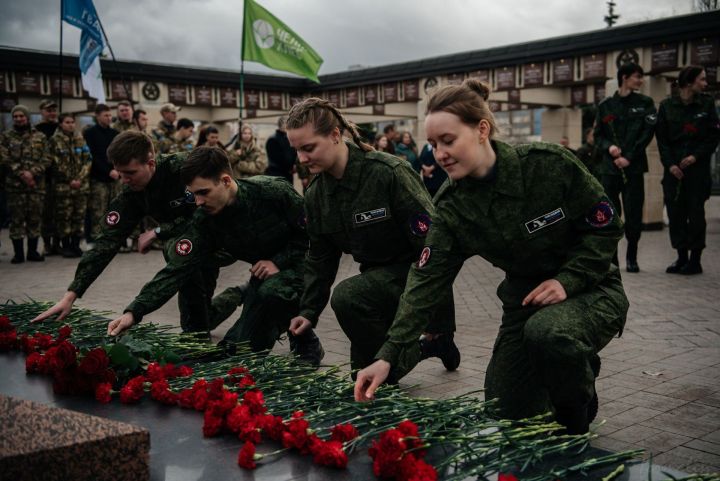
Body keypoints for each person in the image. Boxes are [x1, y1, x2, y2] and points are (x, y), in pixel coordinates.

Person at [354, 79, 629, 436]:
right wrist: (387, 356)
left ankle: (576, 404)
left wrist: (568, 280)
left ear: (482, 129)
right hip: (525, 303)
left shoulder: (547, 166)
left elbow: (606, 227)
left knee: (549, 335)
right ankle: (561, 364)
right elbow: (425, 281)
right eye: (433, 144)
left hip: (591, 289)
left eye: (448, 141)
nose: (439, 154)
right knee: (505, 410)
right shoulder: (452, 208)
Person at [285, 98, 459, 378]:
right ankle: (431, 347)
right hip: (377, 284)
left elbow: (433, 248)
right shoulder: (317, 194)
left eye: (308, 148)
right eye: (297, 151)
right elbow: (320, 257)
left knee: (348, 296)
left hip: (414, 276)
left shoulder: (387, 173)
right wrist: (308, 311)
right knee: (365, 378)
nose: (302, 159)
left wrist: (435, 316)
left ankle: (432, 339)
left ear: (334, 136)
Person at [103, 146, 324, 366]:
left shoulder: (273, 192)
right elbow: (177, 269)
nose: (197, 202)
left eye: (203, 192)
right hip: (265, 274)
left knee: (272, 294)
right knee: (235, 353)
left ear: (226, 181)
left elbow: (316, 235)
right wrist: (134, 312)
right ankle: (256, 308)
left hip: (305, 266)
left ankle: (305, 340)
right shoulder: (206, 218)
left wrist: (278, 261)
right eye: (193, 194)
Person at [32, 131, 224, 337]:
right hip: (187, 245)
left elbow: (207, 213)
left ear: (150, 164)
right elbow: (106, 242)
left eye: (130, 173)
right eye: (120, 173)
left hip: (221, 238)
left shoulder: (184, 168)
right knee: (198, 304)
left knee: (190, 275)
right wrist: (71, 295)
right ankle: (207, 325)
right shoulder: (131, 193)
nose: (123, 180)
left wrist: (158, 232)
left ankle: (204, 327)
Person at [656, 66, 720, 275]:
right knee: (675, 215)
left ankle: (695, 260)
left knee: (696, 215)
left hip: (697, 172)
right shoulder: (667, 106)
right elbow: (662, 141)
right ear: (689, 82)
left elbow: (713, 137)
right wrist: (671, 165)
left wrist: (695, 156)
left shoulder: (707, 104)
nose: (705, 83)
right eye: (701, 79)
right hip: (674, 173)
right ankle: (681, 257)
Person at [594, 62, 656, 273]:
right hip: (610, 170)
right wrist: (609, 147)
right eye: (637, 76)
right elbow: (598, 136)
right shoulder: (605, 105)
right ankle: (613, 260)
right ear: (624, 77)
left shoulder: (646, 103)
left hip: (634, 168)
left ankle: (632, 257)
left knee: (634, 212)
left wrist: (628, 157)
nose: (641, 80)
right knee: (610, 214)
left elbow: (646, 134)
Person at [0, 105, 50, 263]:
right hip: (15, 187)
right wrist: (21, 173)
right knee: (17, 220)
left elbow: (47, 158)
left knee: (35, 219)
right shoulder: (6, 137)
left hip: (36, 186)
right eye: (15, 116)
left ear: (27, 117)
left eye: (21, 116)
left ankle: (33, 252)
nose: (18, 119)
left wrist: (32, 172)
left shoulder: (40, 137)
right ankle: (18, 253)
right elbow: (4, 158)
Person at [47, 113, 91, 258]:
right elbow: (54, 163)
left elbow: (88, 160)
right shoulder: (54, 140)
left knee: (79, 216)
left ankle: (76, 245)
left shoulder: (80, 139)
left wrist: (79, 178)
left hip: (80, 186)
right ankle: (65, 246)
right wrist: (69, 179)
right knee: (64, 217)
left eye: (72, 122)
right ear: (60, 124)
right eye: (67, 122)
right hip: (63, 187)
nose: (71, 124)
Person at [83, 103, 120, 242]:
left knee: (113, 212)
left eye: (110, 115)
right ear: (97, 116)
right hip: (98, 178)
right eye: (106, 115)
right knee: (98, 211)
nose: (109, 118)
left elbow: (117, 154)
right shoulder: (90, 134)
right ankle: (95, 240)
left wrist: (117, 169)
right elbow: (92, 156)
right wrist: (108, 170)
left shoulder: (115, 134)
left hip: (114, 178)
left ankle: (110, 239)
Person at [36, 99, 60, 256]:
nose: (51, 113)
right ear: (42, 112)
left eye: (53, 110)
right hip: (43, 177)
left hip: (60, 177)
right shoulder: (36, 131)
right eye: (48, 110)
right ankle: (46, 244)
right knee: (46, 213)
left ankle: (57, 243)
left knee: (60, 211)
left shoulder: (61, 128)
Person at [265, 116, 296, 183]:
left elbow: (294, 153)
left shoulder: (289, 138)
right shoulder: (272, 140)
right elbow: (276, 159)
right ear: (281, 125)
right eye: (287, 124)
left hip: (288, 174)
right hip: (276, 175)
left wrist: (294, 165)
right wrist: (290, 167)